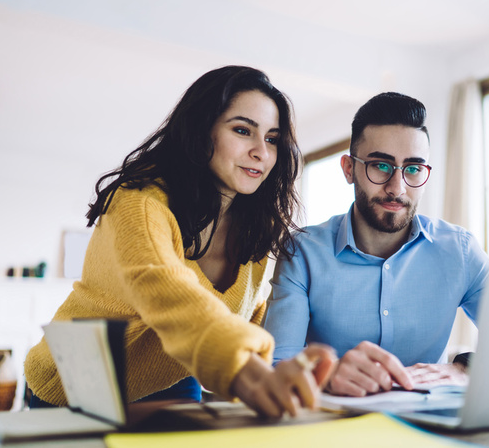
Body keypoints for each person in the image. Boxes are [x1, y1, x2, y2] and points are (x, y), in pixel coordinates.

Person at [25, 66, 336, 417]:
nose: (261, 152)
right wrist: (246, 371)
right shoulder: (139, 202)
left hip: (171, 378)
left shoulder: (255, 227)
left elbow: (248, 318)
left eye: (272, 138)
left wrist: (307, 367)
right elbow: (169, 294)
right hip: (78, 382)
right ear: (202, 131)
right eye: (242, 130)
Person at [263, 92, 489, 397]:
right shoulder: (303, 251)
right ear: (348, 169)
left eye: (413, 169)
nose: (397, 188)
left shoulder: (460, 252)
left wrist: (465, 368)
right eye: (381, 166)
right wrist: (326, 375)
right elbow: (276, 367)